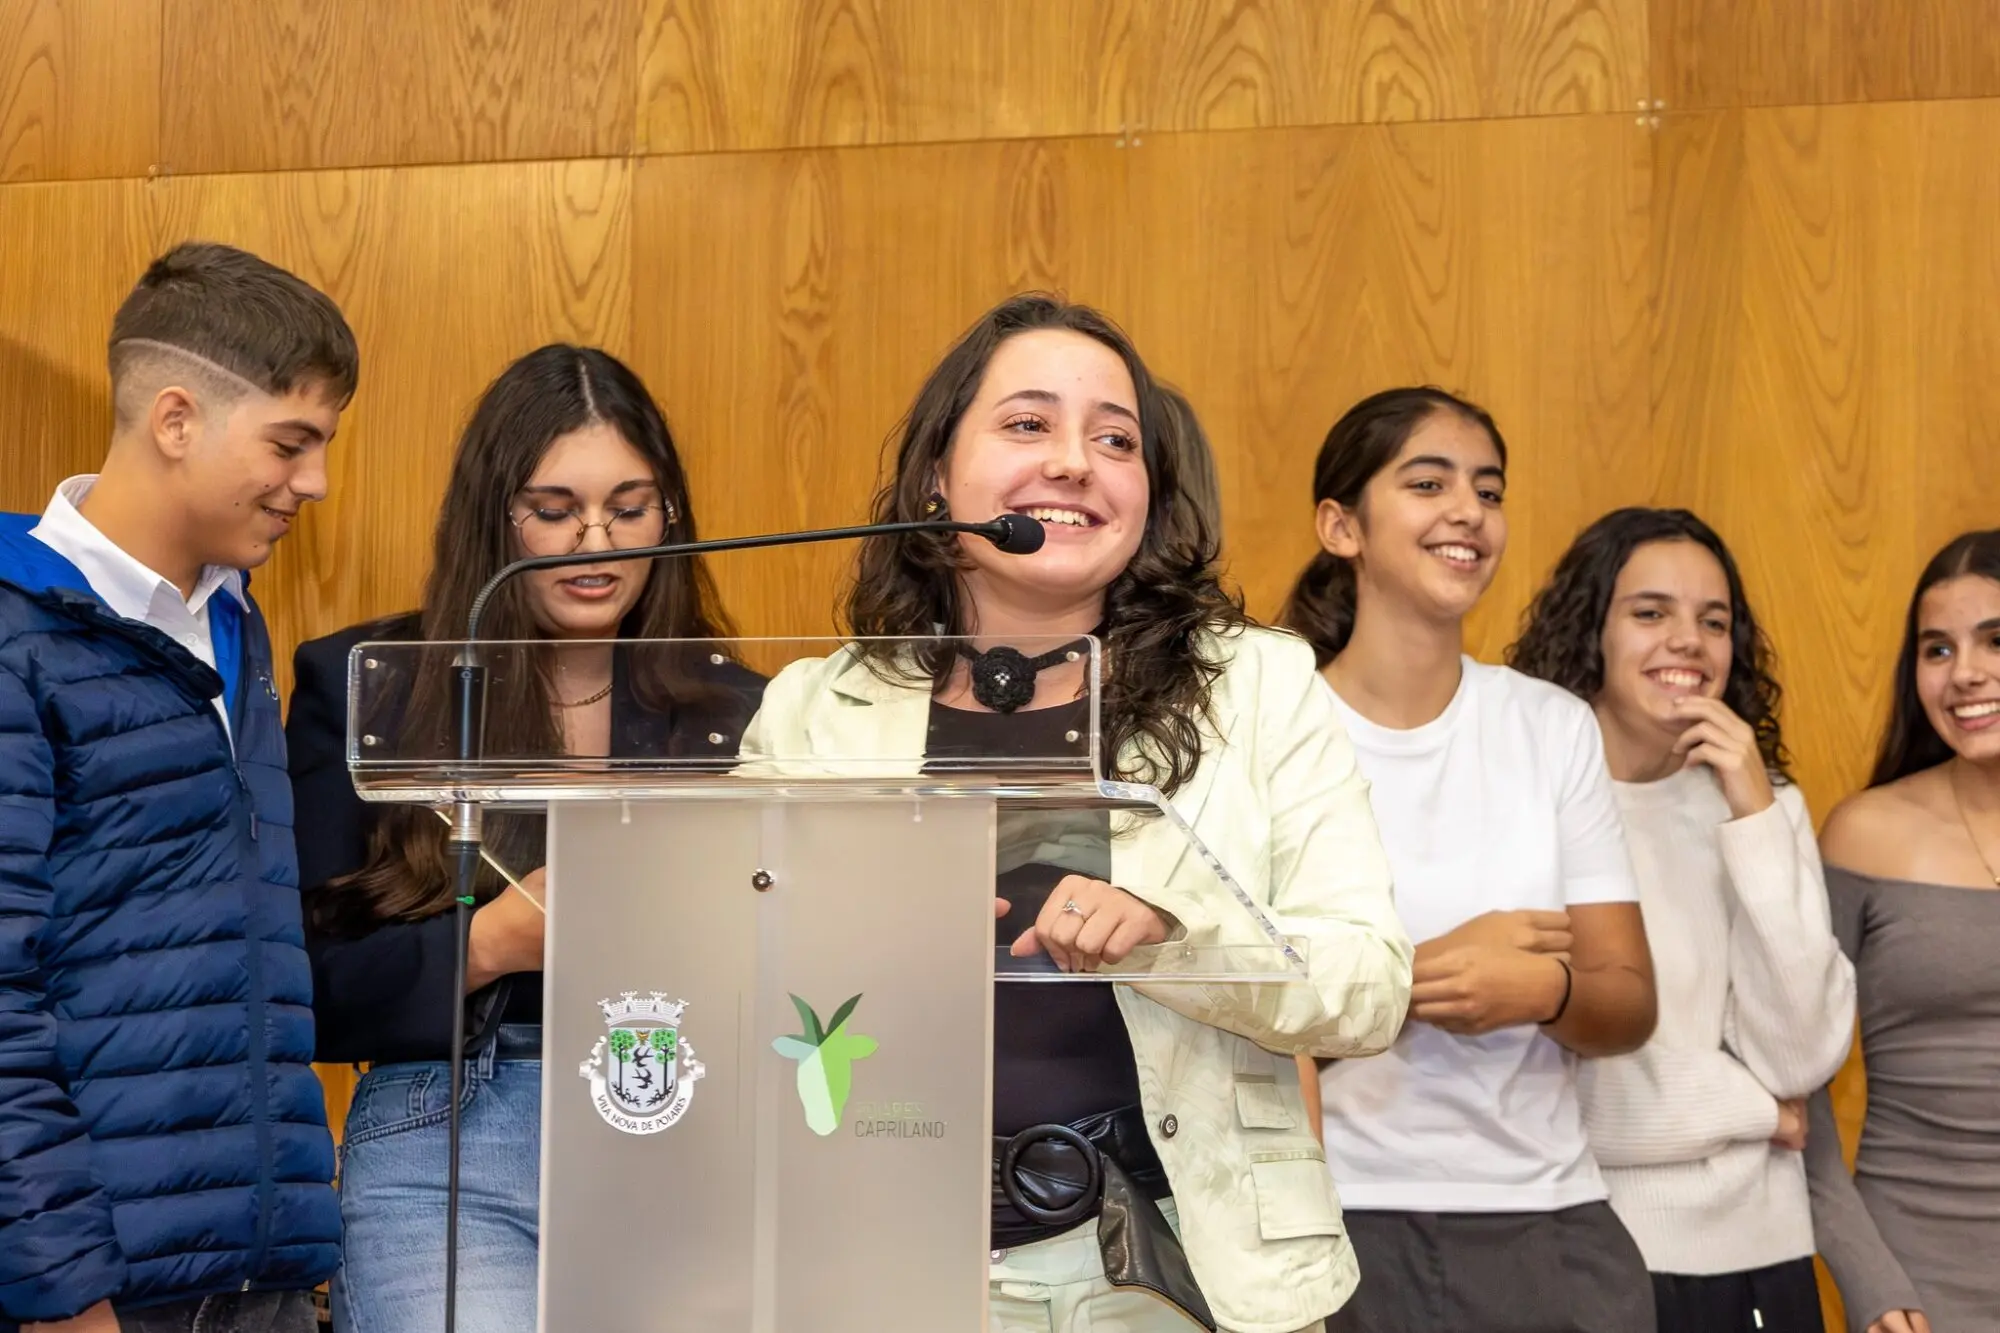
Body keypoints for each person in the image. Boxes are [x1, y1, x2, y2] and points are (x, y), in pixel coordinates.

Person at [741, 293, 1413, 1333]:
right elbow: (723, 974)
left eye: (1115, 439)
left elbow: (1367, 984)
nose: (1072, 462)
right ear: (934, 474)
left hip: (1177, 1264)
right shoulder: (817, 710)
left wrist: (1172, 936)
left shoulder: (1258, 686)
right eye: (1027, 423)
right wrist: (854, 939)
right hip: (883, 1266)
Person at [285, 345, 764, 1333]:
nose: (596, 542)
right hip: (447, 1128)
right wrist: (490, 942)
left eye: (629, 508)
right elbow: (304, 985)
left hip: (684, 1120)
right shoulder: (372, 684)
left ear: (669, 513)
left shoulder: (740, 710)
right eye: (555, 509)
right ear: (493, 515)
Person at [0, 242, 356, 1332]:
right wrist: (61, 1289)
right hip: (99, 1293)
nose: (315, 483)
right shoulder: (17, 633)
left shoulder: (234, 619)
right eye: (290, 443)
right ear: (175, 420)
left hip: (259, 1277)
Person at [1283, 387, 1659, 1333]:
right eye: (1428, 483)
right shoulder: (1276, 730)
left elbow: (1627, 1002)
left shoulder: (1551, 726)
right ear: (1341, 526)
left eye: (1488, 491)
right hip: (1341, 1215)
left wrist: (1546, 990)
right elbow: (1233, 1012)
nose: (1469, 512)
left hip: (1548, 1221)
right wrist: (1416, 983)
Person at [1509, 507, 1854, 1332]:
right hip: (1583, 1247)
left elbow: (1800, 1055)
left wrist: (1755, 816)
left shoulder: (1766, 809)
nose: (1688, 641)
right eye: (1651, 611)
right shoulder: (1524, 805)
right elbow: (1541, 1086)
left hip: (1764, 1258)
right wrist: (1753, 1111)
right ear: (1592, 631)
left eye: (1714, 620)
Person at [1806, 528, 2000, 1333]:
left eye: (1995, 640)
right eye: (1937, 649)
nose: (1965, 673)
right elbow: (1796, 1077)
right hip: (1918, 1283)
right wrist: (1867, 1277)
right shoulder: (1865, 833)